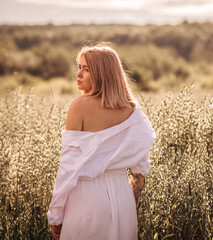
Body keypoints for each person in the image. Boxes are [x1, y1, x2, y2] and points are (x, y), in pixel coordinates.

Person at [47, 44, 156, 240]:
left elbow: (68, 168)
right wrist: (127, 202)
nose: (78, 74)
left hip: (86, 198)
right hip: (124, 198)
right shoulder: (134, 112)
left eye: (86, 69)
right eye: (79, 67)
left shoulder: (79, 106)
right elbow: (140, 170)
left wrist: (56, 215)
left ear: (102, 73)